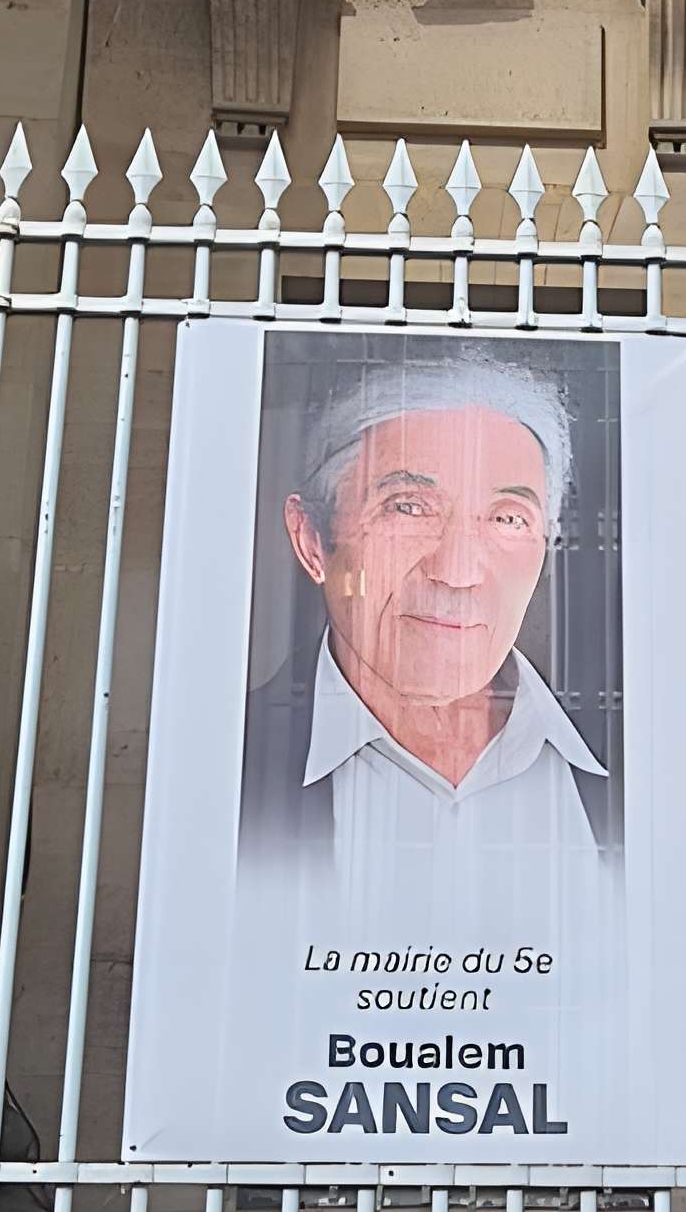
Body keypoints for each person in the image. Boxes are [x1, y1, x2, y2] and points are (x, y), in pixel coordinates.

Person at [238, 353, 614, 886]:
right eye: (408, 507)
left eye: (508, 518)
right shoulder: (227, 759)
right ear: (313, 540)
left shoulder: (638, 768)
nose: (457, 573)